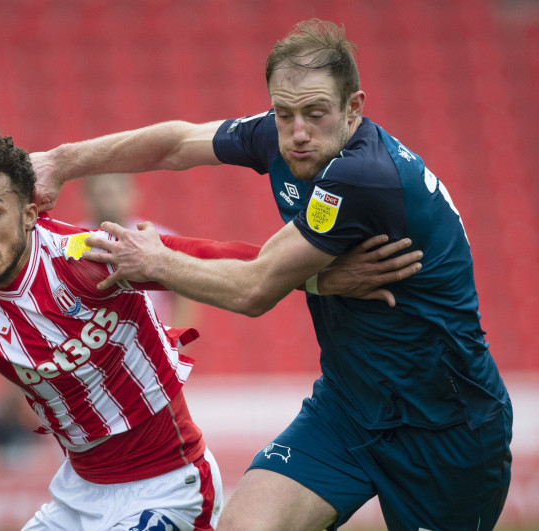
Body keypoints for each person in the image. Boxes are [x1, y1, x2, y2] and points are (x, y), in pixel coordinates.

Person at [28, 19, 512, 531]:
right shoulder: (285, 135)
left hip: (447, 427)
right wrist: (61, 162)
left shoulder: (364, 176)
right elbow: (177, 144)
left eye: (315, 114)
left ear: (354, 108)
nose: (298, 132)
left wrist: (153, 261)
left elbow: (254, 289)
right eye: (284, 113)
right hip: (348, 410)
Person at [0, 130, 415, 530]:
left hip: (169, 488)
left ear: (28, 213)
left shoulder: (86, 255)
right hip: (76, 498)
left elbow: (211, 255)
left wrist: (322, 274)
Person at [80, 172, 198, 327]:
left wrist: (175, 344)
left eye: (115, 193)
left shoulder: (159, 239)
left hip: (150, 342)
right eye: (103, 194)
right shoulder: (73, 242)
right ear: (86, 198)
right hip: (93, 343)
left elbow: (185, 299)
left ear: (132, 194)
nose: (109, 202)